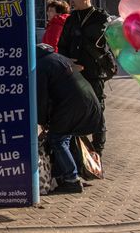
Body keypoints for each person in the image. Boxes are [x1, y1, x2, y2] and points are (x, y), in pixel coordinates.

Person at [36, 44, 105, 194]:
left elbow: (41, 97)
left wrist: (41, 120)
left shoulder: (40, 66)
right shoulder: (57, 58)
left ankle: (71, 179)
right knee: (63, 138)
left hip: (72, 105)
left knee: (57, 139)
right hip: (86, 100)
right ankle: (62, 177)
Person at [57, 0, 110, 154]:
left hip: (94, 73)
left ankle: (97, 151)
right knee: (74, 112)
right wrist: (68, 62)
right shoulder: (71, 19)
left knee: (97, 111)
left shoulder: (101, 17)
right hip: (74, 73)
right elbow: (62, 44)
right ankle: (78, 153)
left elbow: (105, 45)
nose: (70, 1)